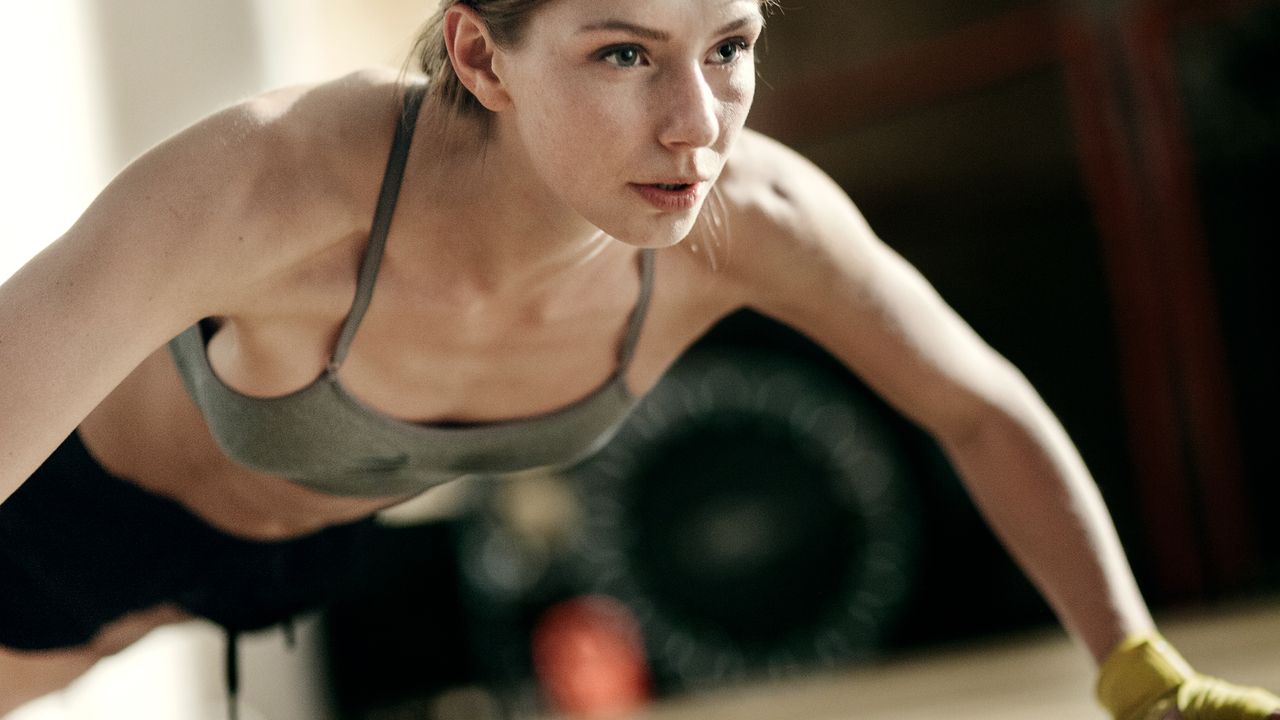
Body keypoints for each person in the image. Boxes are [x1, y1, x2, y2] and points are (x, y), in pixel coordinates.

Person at [0, 0, 1275, 718]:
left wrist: (1135, 668)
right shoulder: (273, 182)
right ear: (480, 55)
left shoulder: (756, 224)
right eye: (624, 53)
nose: (695, 125)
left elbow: (977, 407)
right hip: (65, 530)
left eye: (728, 48)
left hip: (305, 553)